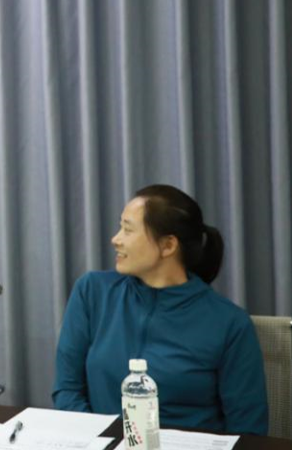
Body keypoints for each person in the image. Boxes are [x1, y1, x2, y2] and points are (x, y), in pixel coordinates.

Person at [53, 184, 268, 434]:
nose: (116, 239)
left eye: (128, 230)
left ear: (168, 246)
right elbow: (67, 390)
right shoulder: (93, 292)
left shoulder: (229, 323)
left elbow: (248, 428)